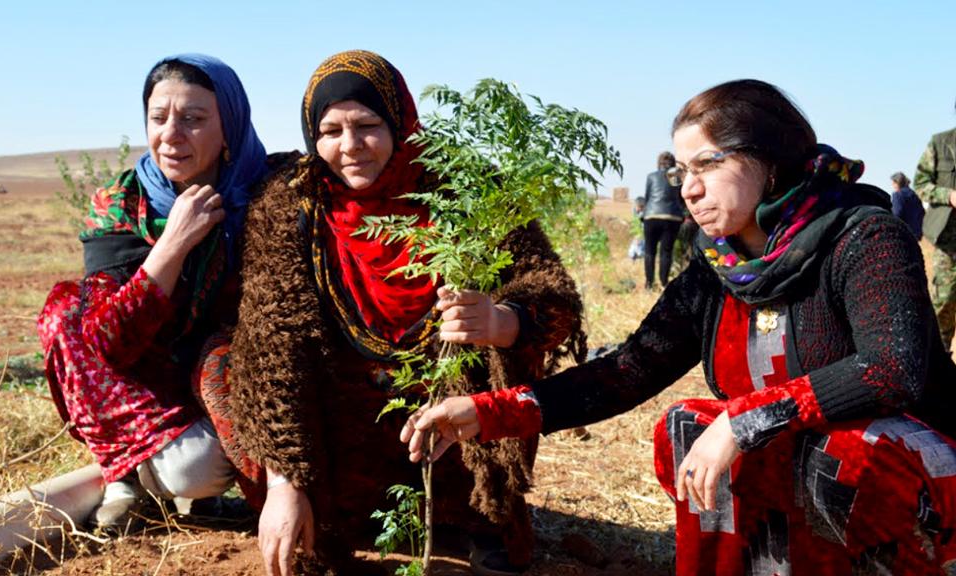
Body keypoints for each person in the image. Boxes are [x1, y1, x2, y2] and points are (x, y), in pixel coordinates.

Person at [404, 79, 956, 575]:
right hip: (797, 465)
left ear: (770, 161)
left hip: (911, 470)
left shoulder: (864, 237)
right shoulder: (719, 267)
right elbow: (627, 371)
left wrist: (744, 420)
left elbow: (891, 370)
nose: (689, 188)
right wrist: (489, 411)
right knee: (688, 424)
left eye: (709, 165)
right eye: (683, 171)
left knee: (843, 454)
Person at [229, 50, 585, 576]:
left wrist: (503, 320)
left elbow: (555, 300)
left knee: (498, 358)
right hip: (343, 417)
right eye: (330, 131)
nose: (349, 147)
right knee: (232, 369)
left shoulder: (465, 190)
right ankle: (327, 514)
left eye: (368, 125)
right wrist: (284, 480)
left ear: (401, 122)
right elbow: (274, 345)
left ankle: (485, 518)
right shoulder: (290, 204)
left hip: (450, 415)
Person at [37, 54, 269, 529]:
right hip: (148, 384)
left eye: (194, 119)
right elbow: (109, 343)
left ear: (230, 126)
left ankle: (156, 476)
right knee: (64, 311)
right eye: (159, 118)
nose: (172, 134)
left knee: (194, 472)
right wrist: (174, 243)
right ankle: (124, 473)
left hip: (224, 378)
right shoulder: (123, 202)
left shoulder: (266, 196)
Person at [914, 112, 956, 351]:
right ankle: (941, 372)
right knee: (943, 307)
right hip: (948, 244)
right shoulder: (941, 144)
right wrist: (948, 195)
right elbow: (920, 184)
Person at [642, 151, 685, 289]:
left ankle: (649, 284)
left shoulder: (651, 176)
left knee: (649, 251)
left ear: (658, 163)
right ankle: (664, 282)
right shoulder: (675, 176)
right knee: (666, 251)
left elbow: (647, 198)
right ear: (673, 163)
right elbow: (681, 199)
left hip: (651, 215)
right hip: (672, 217)